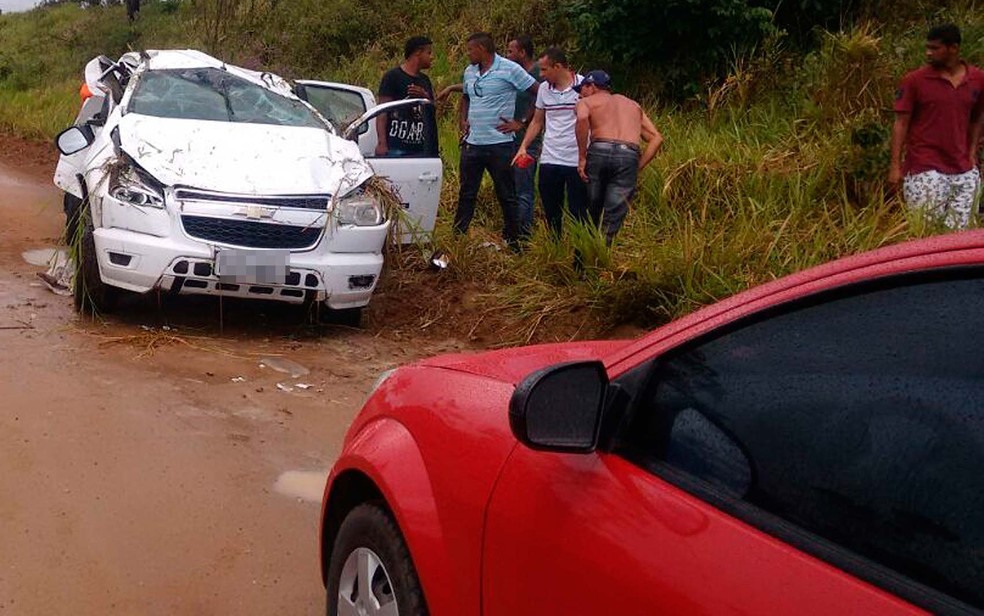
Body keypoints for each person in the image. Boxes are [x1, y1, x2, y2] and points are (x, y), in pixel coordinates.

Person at [438, 35, 542, 238]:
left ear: (482, 48)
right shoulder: (470, 71)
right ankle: (458, 237)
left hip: (500, 144)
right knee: (467, 193)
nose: (467, 54)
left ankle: (515, 240)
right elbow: (467, 95)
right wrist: (463, 120)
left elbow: (538, 92)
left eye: (470, 50)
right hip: (473, 143)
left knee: (506, 195)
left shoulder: (509, 69)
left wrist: (521, 121)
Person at [889, 24, 984, 229]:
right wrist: (895, 166)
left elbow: (977, 118)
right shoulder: (915, 81)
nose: (928, 53)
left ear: (953, 48)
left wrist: (972, 152)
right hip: (925, 167)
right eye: (928, 47)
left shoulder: (977, 79)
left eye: (934, 48)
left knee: (959, 238)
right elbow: (901, 123)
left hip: (963, 169)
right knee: (927, 234)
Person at [575, 70, 663, 244]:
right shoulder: (633, 105)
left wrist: (582, 157)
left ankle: (582, 260)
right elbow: (657, 138)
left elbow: (582, 119)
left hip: (599, 149)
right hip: (628, 154)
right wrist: (638, 166)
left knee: (591, 208)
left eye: (581, 90)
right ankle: (600, 258)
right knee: (613, 215)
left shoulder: (586, 102)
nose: (580, 95)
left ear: (591, 86)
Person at [513, 47, 587, 236]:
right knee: (551, 209)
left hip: (575, 159)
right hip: (550, 157)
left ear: (558, 66)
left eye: (545, 70)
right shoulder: (545, 89)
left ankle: (580, 252)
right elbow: (538, 121)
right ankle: (555, 248)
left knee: (578, 210)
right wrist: (524, 147)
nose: (542, 75)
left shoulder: (584, 86)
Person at [375, 36, 437, 158]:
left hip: (420, 147)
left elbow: (433, 110)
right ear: (418, 52)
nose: (431, 57)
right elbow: (382, 112)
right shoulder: (392, 77)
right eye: (428, 52)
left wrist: (424, 97)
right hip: (395, 146)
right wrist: (382, 143)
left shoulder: (425, 80)